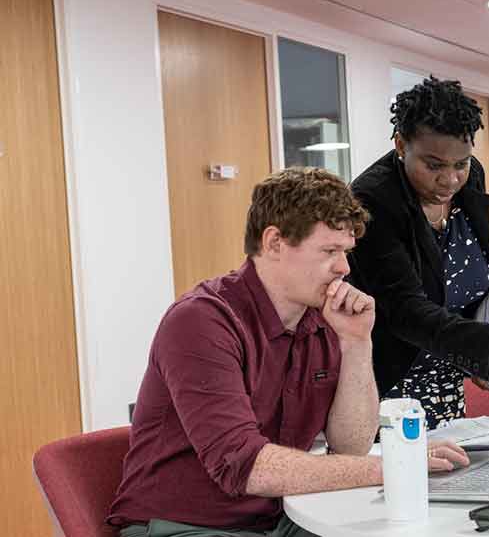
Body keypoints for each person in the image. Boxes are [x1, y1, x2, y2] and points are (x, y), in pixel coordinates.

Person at [107, 168, 469, 537]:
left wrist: (357, 343)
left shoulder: (325, 318)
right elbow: (245, 466)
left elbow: (351, 446)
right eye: (329, 251)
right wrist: (397, 467)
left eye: (345, 252)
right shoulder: (201, 321)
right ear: (274, 243)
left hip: (277, 519)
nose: (344, 268)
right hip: (184, 526)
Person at [349, 76, 489, 429]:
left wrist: (477, 353)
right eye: (433, 165)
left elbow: (473, 274)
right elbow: (404, 310)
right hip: (389, 379)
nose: (449, 180)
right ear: (401, 145)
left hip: (445, 374)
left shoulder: (471, 176)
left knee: (452, 461)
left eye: (460, 163)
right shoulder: (373, 201)